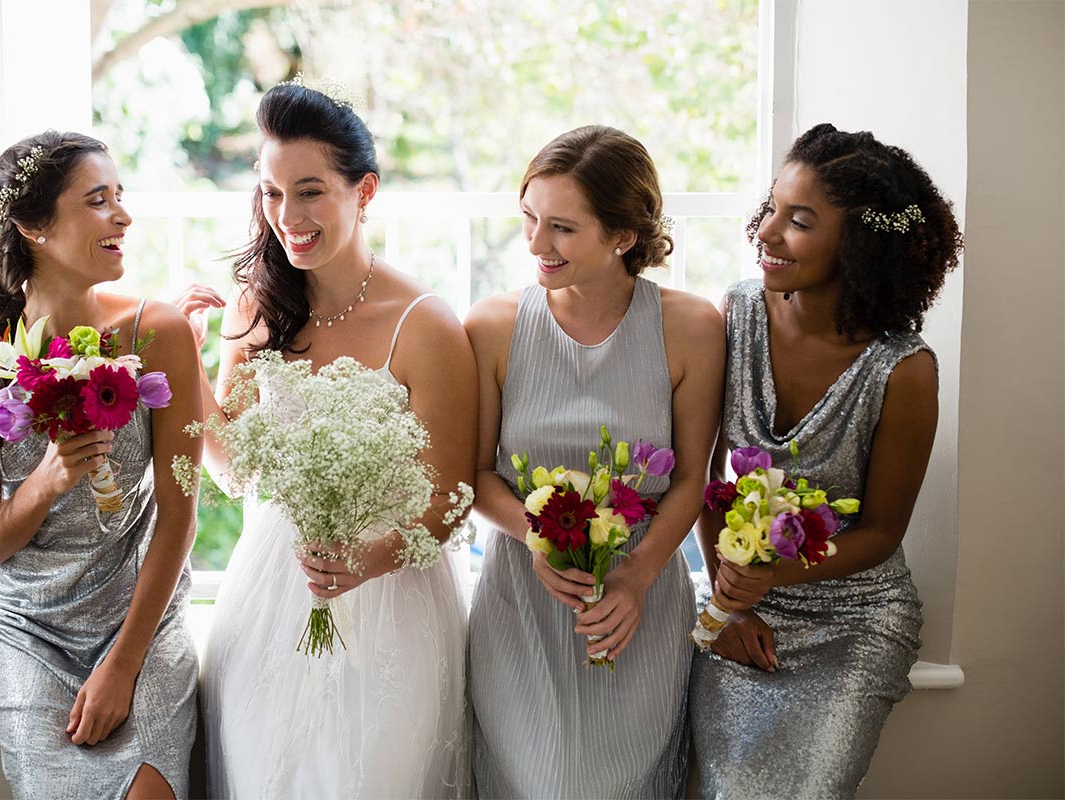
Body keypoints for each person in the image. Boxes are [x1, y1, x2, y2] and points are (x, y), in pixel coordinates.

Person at [177, 82, 478, 799]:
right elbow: (233, 470)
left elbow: (451, 501)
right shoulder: (257, 305)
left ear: (364, 190)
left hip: (390, 609)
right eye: (272, 194)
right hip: (269, 598)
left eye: (309, 191)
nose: (288, 217)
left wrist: (368, 559)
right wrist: (186, 363)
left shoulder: (426, 324)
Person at [689, 123, 964, 798]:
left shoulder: (903, 370)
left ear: (862, 243)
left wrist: (770, 573)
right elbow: (700, 476)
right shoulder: (738, 312)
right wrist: (728, 604)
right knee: (729, 787)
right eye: (772, 208)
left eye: (800, 221)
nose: (767, 232)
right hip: (741, 608)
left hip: (855, 619)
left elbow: (879, 532)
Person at [0, 131, 202, 799]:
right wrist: (49, 479)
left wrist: (124, 663)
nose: (123, 216)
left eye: (120, 197)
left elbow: (180, 512)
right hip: (30, 630)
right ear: (33, 227)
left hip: (141, 617)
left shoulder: (158, 333)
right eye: (98, 200)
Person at [465, 125, 725, 798]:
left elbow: (694, 477)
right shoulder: (492, 326)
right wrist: (535, 535)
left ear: (623, 236)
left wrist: (636, 576)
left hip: (639, 606)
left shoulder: (691, 327)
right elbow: (476, 474)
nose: (534, 243)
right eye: (528, 217)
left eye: (561, 228)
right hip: (521, 602)